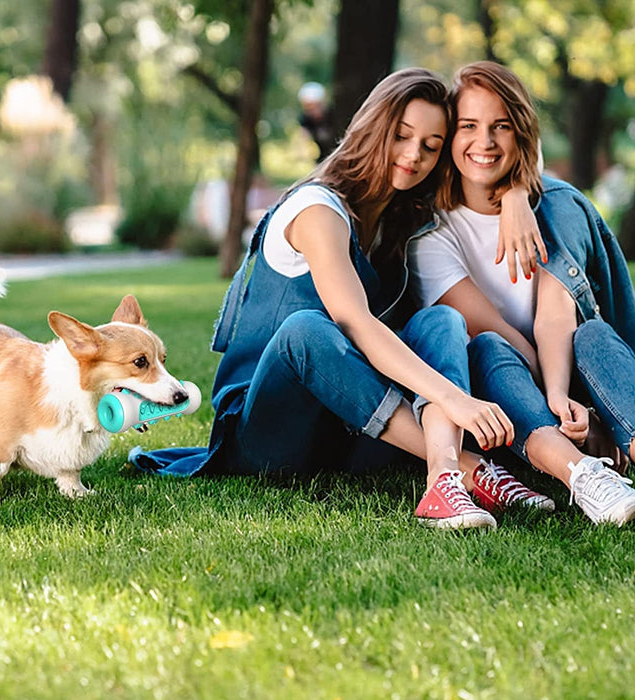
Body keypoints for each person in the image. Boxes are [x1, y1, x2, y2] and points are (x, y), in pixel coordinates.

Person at [130, 67, 553, 530]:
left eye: (431, 146)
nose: (413, 155)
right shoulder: (317, 210)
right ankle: (470, 470)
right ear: (373, 128)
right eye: (401, 136)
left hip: (348, 432)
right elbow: (355, 323)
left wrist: (514, 194)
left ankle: (443, 480)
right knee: (306, 331)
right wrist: (457, 400)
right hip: (268, 435)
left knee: (441, 321)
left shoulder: (398, 221)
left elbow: (486, 165)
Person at [408, 61, 635, 526]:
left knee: (591, 335)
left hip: (574, 379)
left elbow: (556, 315)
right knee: (488, 346)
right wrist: (555, 405)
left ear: (522, 133)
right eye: (468, 126)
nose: (484, 142)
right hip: (510, 392)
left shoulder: (555, 205)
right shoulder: (431, 236)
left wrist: (565, 395)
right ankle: (585, 476)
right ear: (451, 136)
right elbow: (501, 338)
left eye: (501, 126)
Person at [297, 82, 337, 162]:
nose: (311, 111)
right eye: (308, 108)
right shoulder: (305, 119)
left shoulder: (334, 116)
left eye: (314, 106)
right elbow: (303, 136)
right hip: (323, 156)